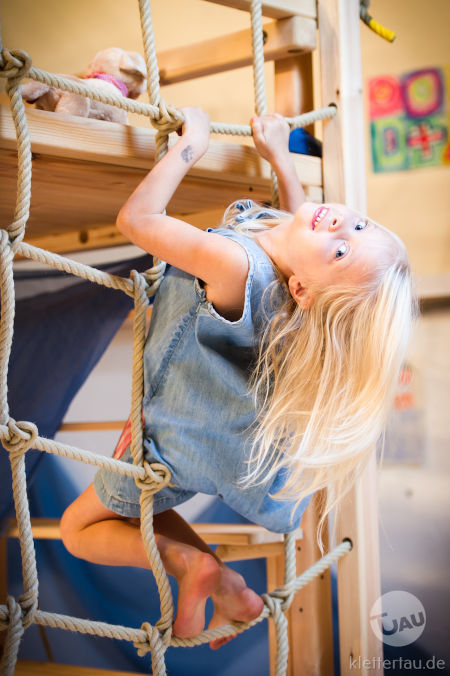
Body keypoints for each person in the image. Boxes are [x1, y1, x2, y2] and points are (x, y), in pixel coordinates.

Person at [60, 108, 416, 649]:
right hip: (217, 441)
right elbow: (309, 230)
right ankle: (216, 576)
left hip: (174, 430)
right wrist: (281, 159)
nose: (341, 224)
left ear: (303, 294)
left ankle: (185, 565)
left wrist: (191, 147)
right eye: (358, 224)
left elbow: (137, 220)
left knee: (76, 531)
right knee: (144, 508)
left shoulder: (234, 263)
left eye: (344, 249)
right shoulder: (300, 280)